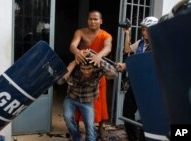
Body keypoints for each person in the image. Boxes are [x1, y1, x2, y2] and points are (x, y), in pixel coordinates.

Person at [69, 10, 113, 139]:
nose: (92, 21)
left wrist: (98, 56)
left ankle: (100, 128)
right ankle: (75, 127)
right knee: (77, 98)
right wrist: (77, 52)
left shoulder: (106, 35)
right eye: (90, 19)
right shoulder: (80, 32)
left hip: (98, 71)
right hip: (81, 70)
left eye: (95, 19)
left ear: (101, 21)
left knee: (100, 102)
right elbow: (72, 45)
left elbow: (108, 47)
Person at [57, 50, 117, 141]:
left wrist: (99, 59)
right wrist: (73, 63)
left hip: (87, 101)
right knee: (68, 117)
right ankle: (77, 138)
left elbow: (114, 74)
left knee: (89, 125)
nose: (86, 72)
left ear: (94, 67)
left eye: (89, 69)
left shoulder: (98, 70)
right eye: (83, 69)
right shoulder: (74, 68)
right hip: (71, 98)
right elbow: (60, 81)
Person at [116, 16, 158, 141]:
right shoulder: (140, 43)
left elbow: (148, 63)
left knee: (148, 117)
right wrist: (127, 33)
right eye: (143, 29)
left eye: (146, 29)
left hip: (150, 88)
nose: (144, 31)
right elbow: (127, 49)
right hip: (135, 84)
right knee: (127, 114)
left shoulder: (158, 45)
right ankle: (133, 138)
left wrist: (126, 65)